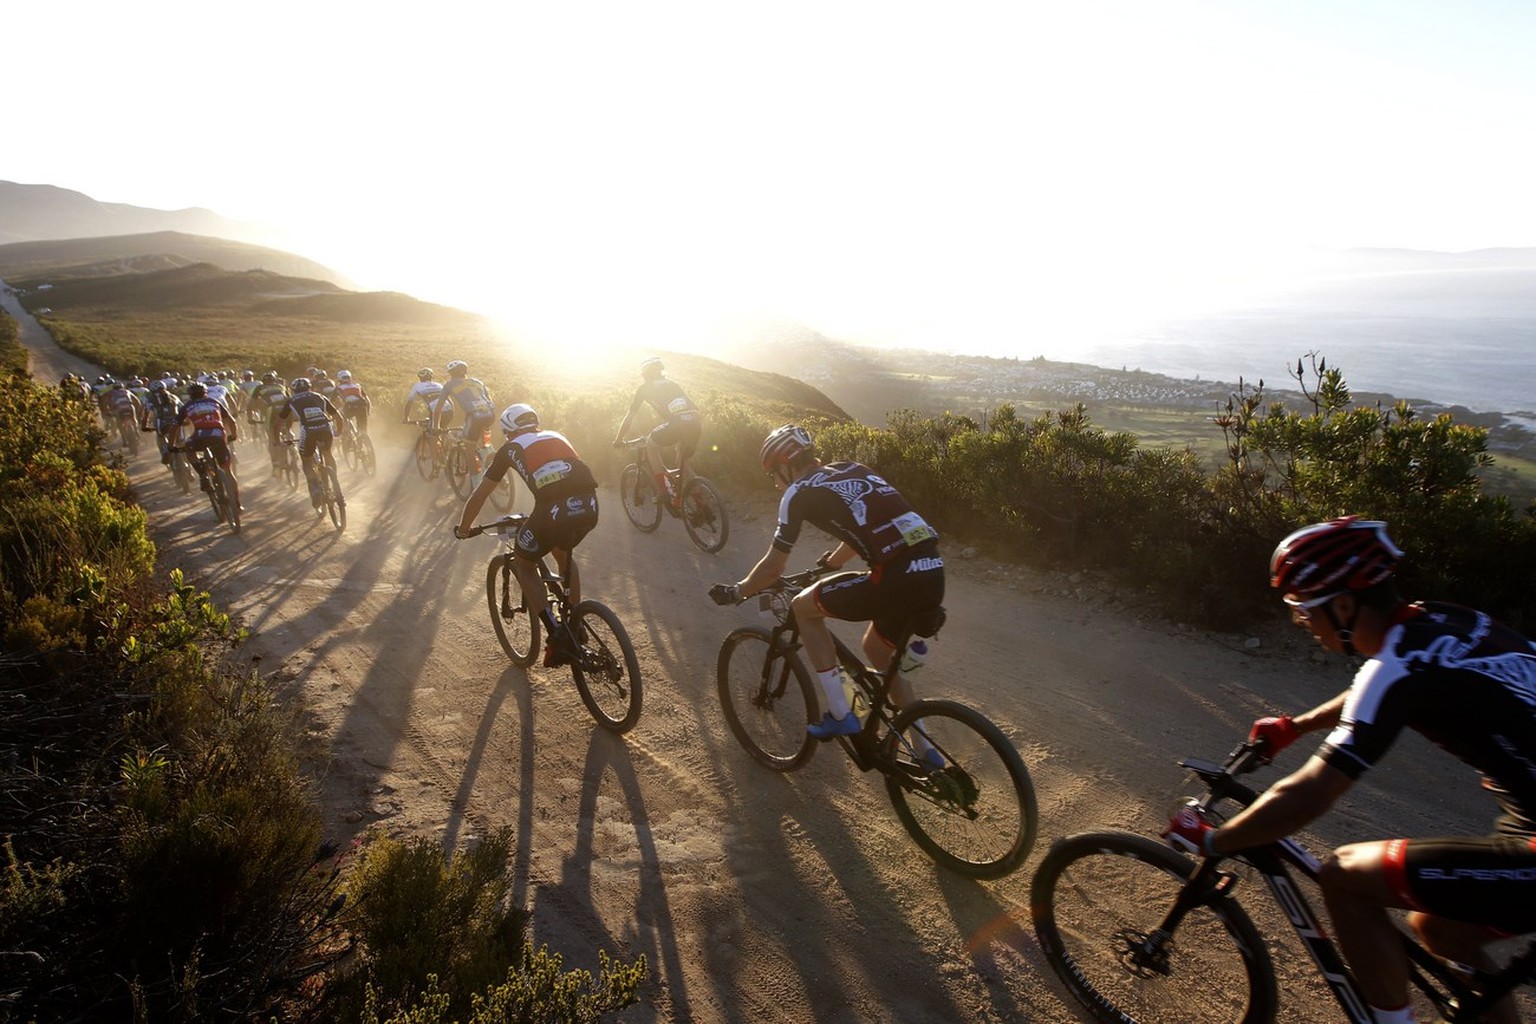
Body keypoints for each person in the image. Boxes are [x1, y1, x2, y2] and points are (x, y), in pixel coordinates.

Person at [1163, 516, 1536, 1024]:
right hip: (1525, 816)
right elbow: (1375, 692)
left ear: (1343, 605)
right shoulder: (1444, 622)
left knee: (1342, 876)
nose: (1302, 625)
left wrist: (1215, 841)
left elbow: (1312, 794)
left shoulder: (1398, 666)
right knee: (1441, 931)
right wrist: (1296, 725)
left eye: (1302, 612)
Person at [709, 424, 945, 747]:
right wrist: (832, 563)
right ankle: (926, 750)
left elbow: (772, 568)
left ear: (786, 465)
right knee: (877, 649)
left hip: (895, 578)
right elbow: (870, 519)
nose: (776, 482)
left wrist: (739, 591)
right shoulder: (853, 468)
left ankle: (840, 711)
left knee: (803, 608)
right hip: (932, 569)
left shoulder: (798, 492)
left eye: (774, 473)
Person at [453, 404, 599, 668]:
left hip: (553, 511)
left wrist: (464, 528)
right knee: (561, 552)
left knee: (524, 562)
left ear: (508, 431)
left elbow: (481, 494)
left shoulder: (509, 448)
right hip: (590, 505)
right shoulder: (558, 435)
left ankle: (555, 631)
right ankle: (575, 622)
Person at [612, 357, 702, 511]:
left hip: (677, 422)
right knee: (683, 463)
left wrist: (619, 438)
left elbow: (630, 416)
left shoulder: (644, 388)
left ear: (645, 374)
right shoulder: (673, 384)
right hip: (695, 422)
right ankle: (702, 506)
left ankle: (663, 491)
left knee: (650, 445)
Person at [270, 377, 344, 511]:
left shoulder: (291, 400)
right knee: (327, 454)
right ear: (309, 388)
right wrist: (338, 431)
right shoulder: (320, 396)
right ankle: (335, 483)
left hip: (308, 430)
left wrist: (276, 442)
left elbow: (277, 425)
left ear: (293, 390)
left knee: (306, 460)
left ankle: (315, 487)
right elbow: (339, 417)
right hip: (326, 428)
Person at [175, 381, 242, 511]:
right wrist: (234, 435)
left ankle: (202, 474)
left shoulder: (188, 405)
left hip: (199, 437)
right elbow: (232, 421)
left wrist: (172, 445)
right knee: (228, 472)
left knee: (188, 448)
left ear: (190, 395)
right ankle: (238, 504)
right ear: (205, 393)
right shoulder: (214, 402)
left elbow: (175, 427)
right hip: (218, 436)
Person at [140, 378, 183, 467]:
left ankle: (165, 452)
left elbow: (146, 414)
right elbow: (183, 408)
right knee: (182, 442)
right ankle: (189, 466)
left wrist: (144, 426)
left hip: (161, 423)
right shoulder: (173, 396)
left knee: (160, 437)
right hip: (176, 422)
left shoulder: (150, 399)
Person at [333, 369, 372, 438]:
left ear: (339, 379)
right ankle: (363, 439)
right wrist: (368, 410)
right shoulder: (357, 386)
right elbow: (367, 399)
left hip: (348, 409)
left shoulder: (338, 388)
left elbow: (331, 401)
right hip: (362, 408)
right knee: (363, 430)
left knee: (341, 417)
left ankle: (347, 435)